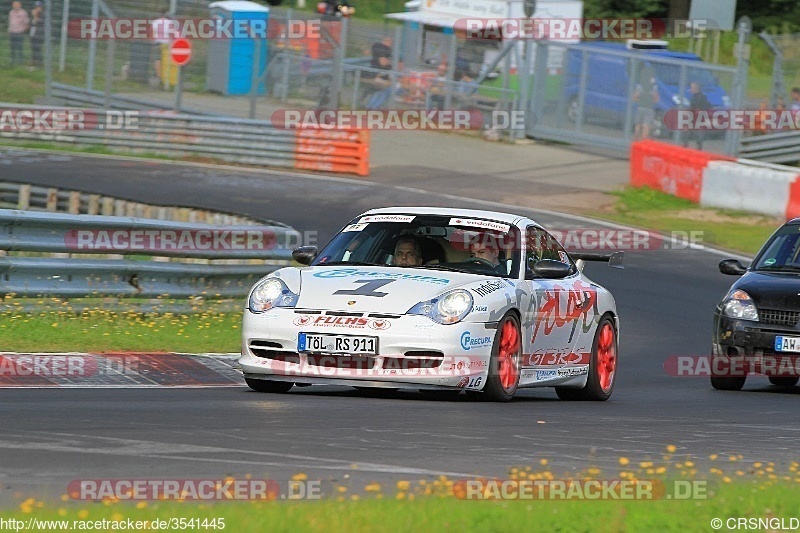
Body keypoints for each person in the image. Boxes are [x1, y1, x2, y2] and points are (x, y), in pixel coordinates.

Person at [684, 81, 712, 150]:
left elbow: (708, 106)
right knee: (687, 133)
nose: (691, 89)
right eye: (691, 88)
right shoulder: (693, 97)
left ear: (697, 88)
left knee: (698, 134)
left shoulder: (702, 97)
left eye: (692, 88)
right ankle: (686, 145)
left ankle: (698, 148)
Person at [633, 73, 658, 140]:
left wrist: (640, 100)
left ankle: (636, 139)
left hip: (640, 107)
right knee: (646, 125)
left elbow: (634, 97)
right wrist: (650, 101)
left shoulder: (640, 86)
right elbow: (656, 99)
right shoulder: (654, 87)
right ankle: (643, 140)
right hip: (649, 108)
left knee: (638, 124)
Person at [8, 1, 30, 68]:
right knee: (12, 48)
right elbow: (10, 22)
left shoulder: (23, 12)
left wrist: (24, 29)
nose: (16, 6)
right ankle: (12, 61)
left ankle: (20, 62)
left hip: (19, 32)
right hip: (12, 32)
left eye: (17, 4)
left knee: (20, 48)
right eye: (14, 4)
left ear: (20, 5)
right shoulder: (11, 12)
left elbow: (26, 22)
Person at [28, 0, 42, 67]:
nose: (37, 8)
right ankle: (34, 61)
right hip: (32, 34)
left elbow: (40, 23)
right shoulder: (32, 15)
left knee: (38, 49)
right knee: (33, 48)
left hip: (38, 35)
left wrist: (35, 16)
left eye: (38, 7)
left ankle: (39, 63)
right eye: (36, 7)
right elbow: (30, 23)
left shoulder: (42, 15)